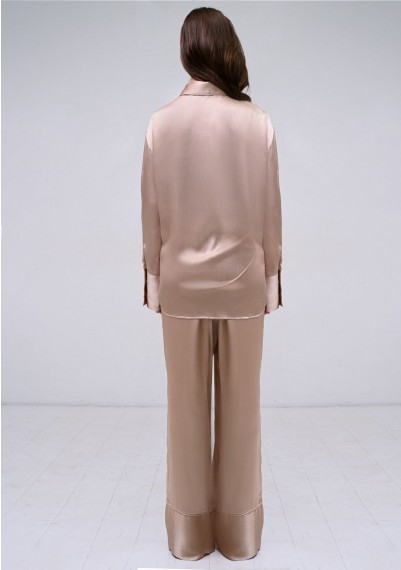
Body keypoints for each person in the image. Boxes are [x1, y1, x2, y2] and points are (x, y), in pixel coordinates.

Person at [140, 6, 283, 562]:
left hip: (181, 289)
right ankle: (240, 536)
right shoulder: (258, 122)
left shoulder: (160, 123)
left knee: (185, 412)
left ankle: (189, 535)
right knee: (243, 412)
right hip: (243, 286)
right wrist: (271, 280)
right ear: (227, 48)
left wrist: (153, 280)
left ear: (186, 52)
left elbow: (151, 212)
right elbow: (270, 211)